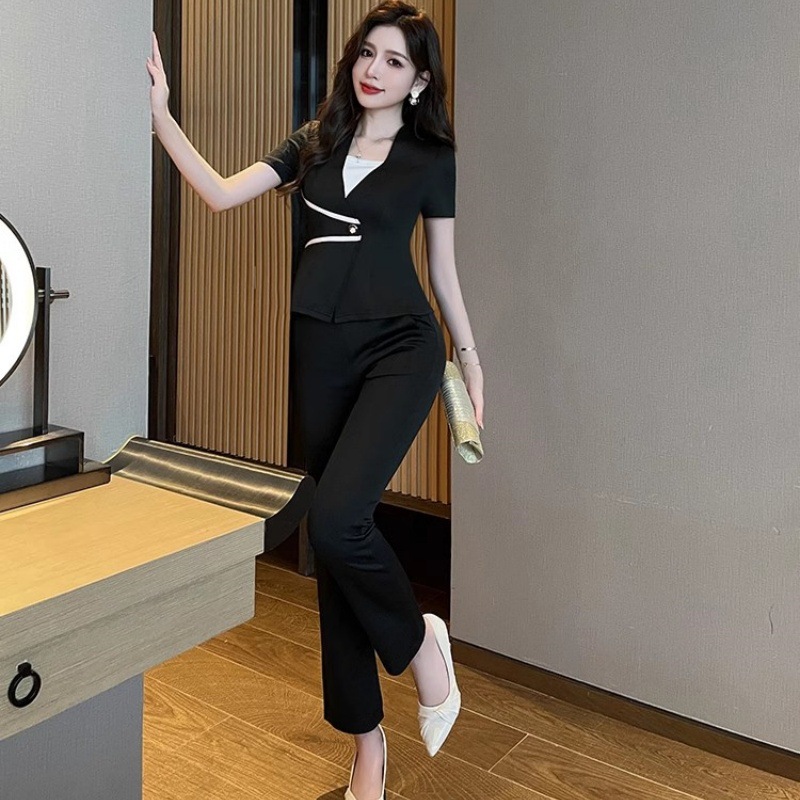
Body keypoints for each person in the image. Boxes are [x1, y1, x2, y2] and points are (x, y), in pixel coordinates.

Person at [147, 2, 484, 798]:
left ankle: (421, 646)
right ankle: (367, 745)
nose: (374, 70)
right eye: (368, 53)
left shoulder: (432, 157)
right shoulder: (316, 140)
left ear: (419, 80)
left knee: (337, 521)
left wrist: (472, 362)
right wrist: (160, 114)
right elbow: (219, 194)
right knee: (333, 548)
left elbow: (442, 271)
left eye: (394, 61)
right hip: (321, 355)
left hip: (401, 347)